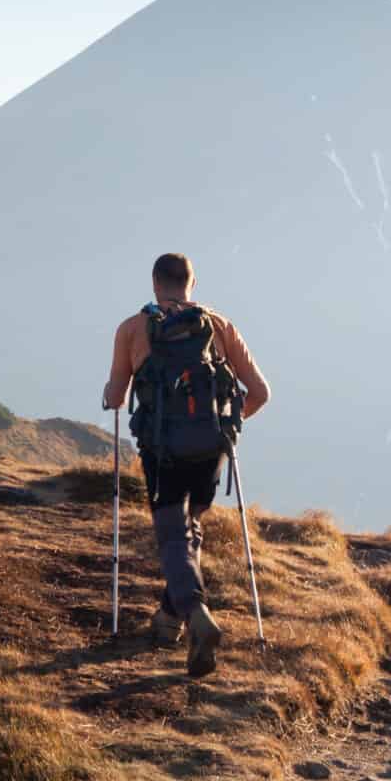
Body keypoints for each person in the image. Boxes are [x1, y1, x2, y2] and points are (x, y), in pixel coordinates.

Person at [101, 252, 270, 677]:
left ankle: (196, 615)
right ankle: (168, 620)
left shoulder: (133, 328)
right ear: (192, 283)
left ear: (156, 282)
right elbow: (260, 392)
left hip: (163, 449)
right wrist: (227, 426)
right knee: (188, 531)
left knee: (173, 534)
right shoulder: (218, 326)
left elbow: (117, 395)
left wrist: (111, 392)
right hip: (210, 448)